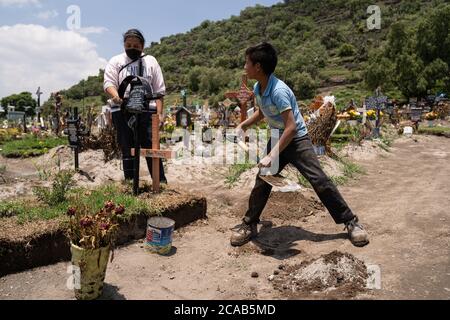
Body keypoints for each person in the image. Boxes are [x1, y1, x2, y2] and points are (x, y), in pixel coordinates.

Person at [230, 42, 369, 247]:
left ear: (258, 67)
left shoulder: (279, 91)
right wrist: (244, 124)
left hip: (296, 140)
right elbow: (263, 111)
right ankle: (249, 224)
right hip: (278, 137)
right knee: (262, 181)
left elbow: (292, 127)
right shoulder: (259, 87)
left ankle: (350, 222)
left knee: (319, 179)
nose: (245, 67)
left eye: (247, 63)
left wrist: (271, 155)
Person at [103, 29, 167, 183]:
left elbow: (159, 90)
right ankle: (131, 182)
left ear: (143, 46)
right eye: (128, 44)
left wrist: (159, 114)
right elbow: (109, 83)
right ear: (124, 45)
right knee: (127, 147)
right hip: (123, 109)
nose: (132, 48)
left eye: (136, 45)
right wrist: (116, 96)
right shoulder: (116, 61)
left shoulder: (151, 61)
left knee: (152, 147)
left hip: (147, 109)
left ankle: (160, 182)